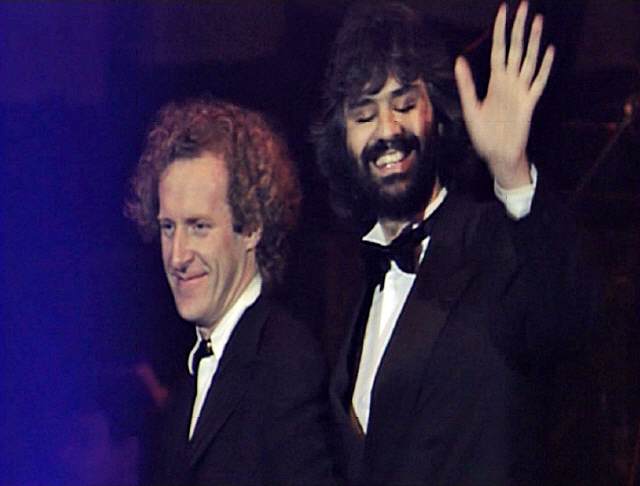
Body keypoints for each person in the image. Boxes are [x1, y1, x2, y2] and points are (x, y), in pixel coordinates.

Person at [313, 2, 593, 485]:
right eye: (364, 115)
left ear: (438, 114)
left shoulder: (492, 240)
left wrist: (512, 172)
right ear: (343, 142)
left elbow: (565, 319)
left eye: (404, 105)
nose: (388, 130)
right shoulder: (358, 282)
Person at [127, 98, 335, 486]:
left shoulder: (286, 362)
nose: (177, 256)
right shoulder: (189, 378)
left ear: (252, 226)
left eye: (199, 227)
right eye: (168, 227)